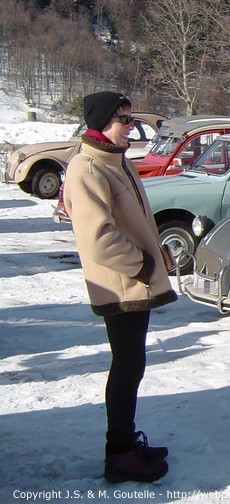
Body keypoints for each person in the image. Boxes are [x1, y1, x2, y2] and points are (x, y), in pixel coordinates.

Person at [64, 92, 177, 484]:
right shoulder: (87, 168)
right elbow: (98, 239)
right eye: (124, 120)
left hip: (135, 281)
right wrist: (144, 265)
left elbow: (136, 222)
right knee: (128, 367)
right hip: (121, 286)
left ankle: (126, 442)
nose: (132, 126)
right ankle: (120, 455)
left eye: (131, 119)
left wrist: (158, 254)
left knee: (133, 365)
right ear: (101, 123)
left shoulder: (116, 161)